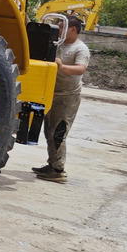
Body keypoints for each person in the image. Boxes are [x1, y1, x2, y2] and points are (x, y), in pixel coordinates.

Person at [34, 14, 90, 182]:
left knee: (58, 132)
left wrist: (62, 66)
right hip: (52, 93)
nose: (58, 31)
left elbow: (81, 69)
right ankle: (52, 164)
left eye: (61, 28)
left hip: (68, 97)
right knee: (49, 131)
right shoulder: (57, 44)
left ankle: (58, 170)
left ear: (72, 29)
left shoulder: (80, 49)